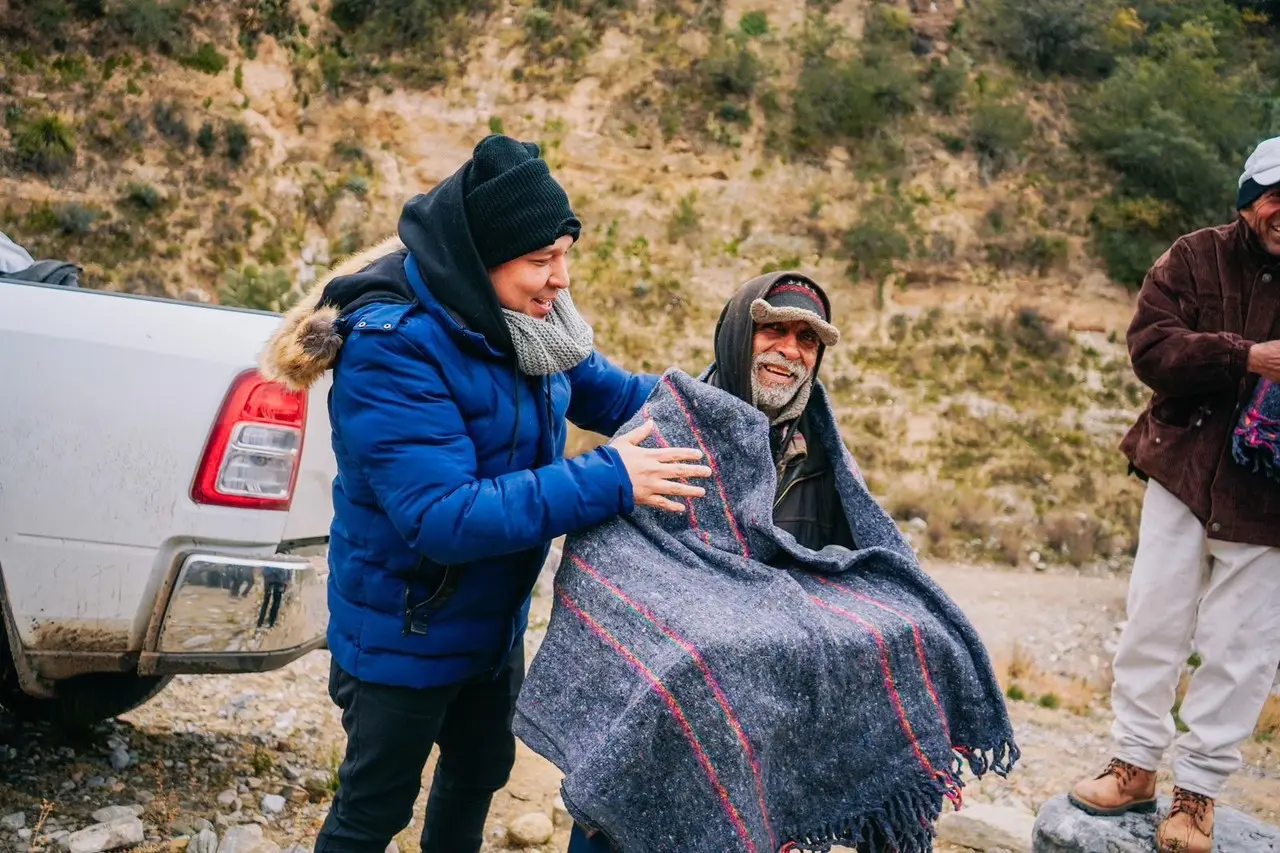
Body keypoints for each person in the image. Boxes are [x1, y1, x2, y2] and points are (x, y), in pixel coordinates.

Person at [260, 134, 711, 853]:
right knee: (373, 810)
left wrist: (719, 406)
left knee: (477, 774)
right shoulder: (393, 346)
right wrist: (611, 477)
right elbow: (442, 516)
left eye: (566, 254)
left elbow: (619, 395)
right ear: (481, 259)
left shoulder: (531, 326)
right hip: (404, 629)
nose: (561, 279)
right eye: (541, 261)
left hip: (489, 623)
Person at [566, 271, 859, 853]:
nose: (790, 350)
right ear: (734, 333)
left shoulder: (823, 462)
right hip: (650, 731)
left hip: (759, 738)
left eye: (807, 340)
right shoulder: (668, 426)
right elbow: (605, 572)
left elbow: (846, 590)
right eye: (773, 329)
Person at [1068, 136, 1280, 853]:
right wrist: (1245, 357)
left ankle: (1198, 796)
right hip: (1182, 465)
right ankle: (1133, 765)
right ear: (1248, 198)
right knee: (1153, 620)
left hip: (1272, 497)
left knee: (1241, 648)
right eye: (1276, 195)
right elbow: (1149, 349)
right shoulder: (1193, 256)